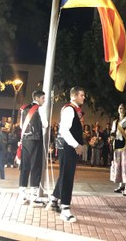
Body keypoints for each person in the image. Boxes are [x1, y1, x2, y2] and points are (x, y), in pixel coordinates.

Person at [47, 86, 85, 223]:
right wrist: (76, 145)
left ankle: (53, 198)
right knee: (68, 176)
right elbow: (64, 130)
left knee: (65, 173)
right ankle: (65, 209)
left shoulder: (73, 109)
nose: (84, 97)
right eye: (81, 95)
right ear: (74, 95)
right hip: (69, 147)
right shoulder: (70, 109)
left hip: (69, 147)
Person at [18, 90, 47, 206]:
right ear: (38, 98)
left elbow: (21, 126)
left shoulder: (24, 108)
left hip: (25, 141)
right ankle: (34, 197)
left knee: (25, 166)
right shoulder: (40, 109)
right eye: (43, 98)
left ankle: (23, 195)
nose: (44, 101)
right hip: (35, 141)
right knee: (36, 166)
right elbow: (45, 124)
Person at [110, 103, 126, 196]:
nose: (121, 110)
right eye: (119, 108)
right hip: (117, 145)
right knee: (118, 165)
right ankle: (120, 185)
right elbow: (112, 132)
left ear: (125, 110)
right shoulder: (115, 122)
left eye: (122, 108)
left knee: (125, 165)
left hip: (125, 144)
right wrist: (111, 138)